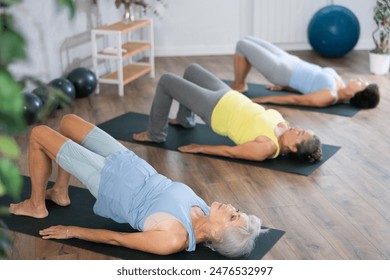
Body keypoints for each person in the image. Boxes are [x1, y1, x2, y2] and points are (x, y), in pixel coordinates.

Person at [8, 114, 263, 258]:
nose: (230, 206)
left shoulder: (174, 238)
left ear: (217, 235)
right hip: (129, 162)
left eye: (232, 216)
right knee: (68, 122)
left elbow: (117, 239)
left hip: (109, 181)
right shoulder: (206, 210)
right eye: (237, 210)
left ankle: (36, 204)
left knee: (39, 133)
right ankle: (61, 191)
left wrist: (72, 230)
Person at [133, 63, 323, 163]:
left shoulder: (267, 148)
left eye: (299, 134)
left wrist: (199, 148)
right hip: (229, 95)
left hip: (215, 109)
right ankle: (184, 119)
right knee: (192, 70)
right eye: (301, 129)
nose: (297, 128)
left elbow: (230, 152)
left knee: (166, 80)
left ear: (294, 148)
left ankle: (155, 134)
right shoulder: (285, 128)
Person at [229, 36, 380, 109]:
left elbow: (297, 100)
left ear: (357, 94)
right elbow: (307, 85)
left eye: (361, 84)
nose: (359, 79)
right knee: (247, 39)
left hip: (280, 71)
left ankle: (239, 84)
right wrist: (284, 88)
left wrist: (264, 99)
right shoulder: (339, 83)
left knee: (242, 45)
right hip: (288, 59)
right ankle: (240, 82)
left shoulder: (330, 96)